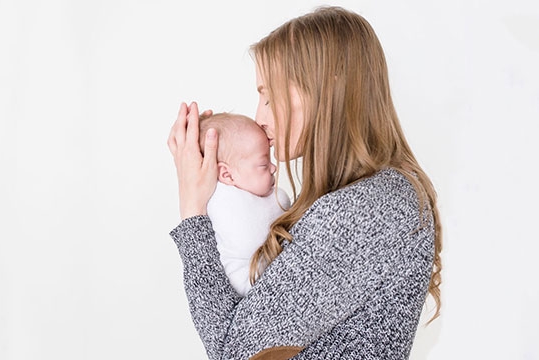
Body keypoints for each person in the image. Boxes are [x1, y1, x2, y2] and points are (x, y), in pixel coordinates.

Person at [167, 6, 442, 360]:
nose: (259, 117)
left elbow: (232, 354)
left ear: (324, 90)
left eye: (269, 96)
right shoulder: (377, 197)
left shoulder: (362, 210)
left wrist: (193, 209)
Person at [198, 112, 291, 296]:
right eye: (264, 164)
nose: (274, 168)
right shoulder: (221, 202)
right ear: (227, 175)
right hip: (243, 287)